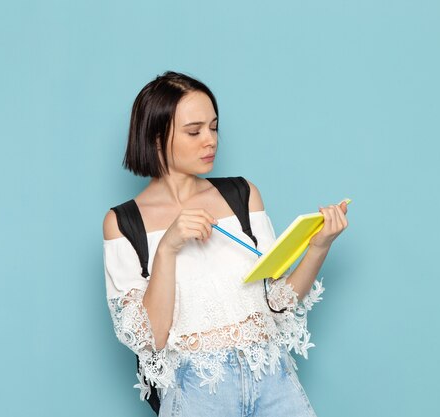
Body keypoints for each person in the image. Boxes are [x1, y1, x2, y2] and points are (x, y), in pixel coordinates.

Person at [103, 71, 348, 417]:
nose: (210, 140)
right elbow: (152, 339)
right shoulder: (125, 223)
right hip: (198, 392)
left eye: (213, 127)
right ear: (157, 137)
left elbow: (277, 305)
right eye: (194, 131)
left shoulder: (242, 195)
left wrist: (320, 246)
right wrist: (168, 247)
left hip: (271, 377)